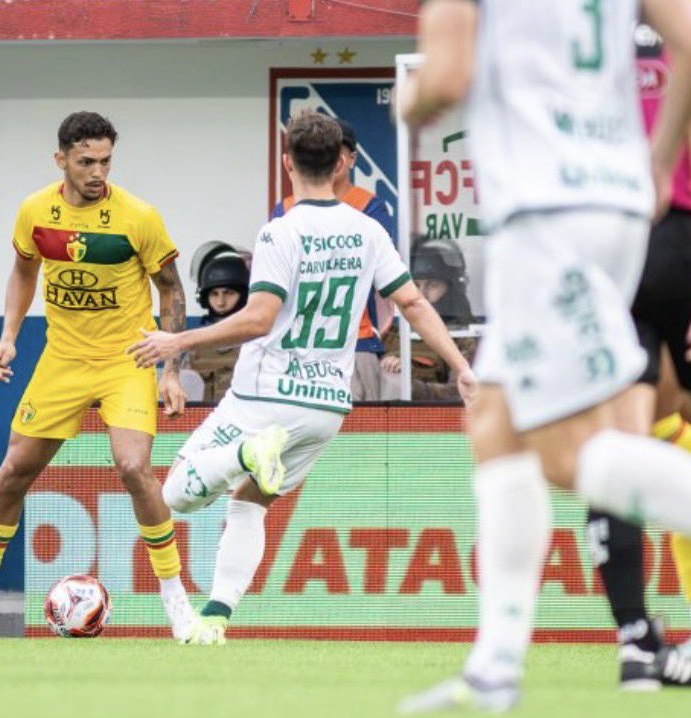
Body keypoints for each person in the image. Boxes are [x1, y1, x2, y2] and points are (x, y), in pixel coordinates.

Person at [398, 0, 691, 712]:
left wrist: (408, 98)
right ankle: (495, 668)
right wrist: (659, 156)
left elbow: (445, 82)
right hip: (615, 209)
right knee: (497, 427)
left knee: (569, 453)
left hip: (542, 218)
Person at [128, 111, 477, 645]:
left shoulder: (280, 231)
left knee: (174, 495)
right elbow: (410, 303)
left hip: (264, 395)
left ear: (286, 162)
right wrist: (460, 365)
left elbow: (260, 317)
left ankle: (246, 455)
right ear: (341, 164)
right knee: (248, 503)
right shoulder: (368, 231)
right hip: (325, 407)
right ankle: (216, 619)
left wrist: (178, 341)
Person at [0, 112, 194, 640]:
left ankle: (175, 598)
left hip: (125, 359)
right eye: (87, 161)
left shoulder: (138, 215)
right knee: (12, 473)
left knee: (134, 468)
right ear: (61, 160)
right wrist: (7, 337)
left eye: (106, 161)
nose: (98, 172)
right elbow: (24, 271)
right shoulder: (34, 211)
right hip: (63, 360)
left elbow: (173, 289)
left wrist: (172, 368)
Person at [587, 3, 691, 686]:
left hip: (604, 251)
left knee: (623, 444)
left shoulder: (575, 26)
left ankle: (637, 642)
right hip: (686, 239)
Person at [273, 118, 394, 401]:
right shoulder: (286, 209)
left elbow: (387, 280)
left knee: (359, 438)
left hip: (356, 340)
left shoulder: (369, 207)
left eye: (333, 151)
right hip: (298, 344)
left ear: (348, 160)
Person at [381, 236, 476, 401]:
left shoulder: (465, 336)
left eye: (432, 285)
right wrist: (384, 368)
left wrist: (406, 384)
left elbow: (459, 392)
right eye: (416, 286)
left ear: (452, 288)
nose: (422, 295)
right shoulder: (390, 334)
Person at [188, 249, 250, 403]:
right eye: (214, 294)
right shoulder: (196, 345)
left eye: (228, 293)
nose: (220, 302)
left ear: (244, 295)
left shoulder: (256, 340)